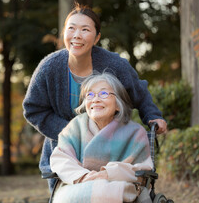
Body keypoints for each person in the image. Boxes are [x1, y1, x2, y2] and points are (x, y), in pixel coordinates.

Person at [22, 2, 166, 191]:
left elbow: (139, 93)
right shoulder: (49, 68)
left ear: (97, 37)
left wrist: (152, 115)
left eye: (85, 29)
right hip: (68, 152)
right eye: (71, 28)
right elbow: (33, 109)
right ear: (64, 33)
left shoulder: (114, 64)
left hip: (112, 149)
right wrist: (71, 132)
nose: (77, 35)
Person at [50, 72, 153, 203]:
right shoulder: (75, 127)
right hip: (78, 184)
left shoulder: (135, 132)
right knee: (65, 197)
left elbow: (142, 168)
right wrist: (84, 177)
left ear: (118, 103)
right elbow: (61, 159)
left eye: (103, 94)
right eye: (90, 95)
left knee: (109, 193)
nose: (95, 99)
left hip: (118, 185)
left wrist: (107, 174)